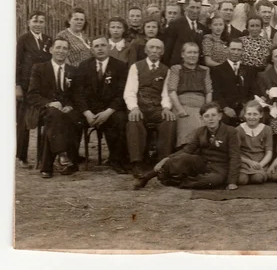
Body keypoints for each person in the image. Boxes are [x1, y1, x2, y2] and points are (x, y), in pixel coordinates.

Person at [133, 102, 240, 191]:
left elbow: (235, 157)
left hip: (219, 168)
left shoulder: (231, 132)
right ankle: (146, 177)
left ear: (220, 116)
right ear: (202, 119)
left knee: (211, 181)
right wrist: (166, 159)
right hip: (202, 163)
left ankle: (177, 181)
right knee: (183, 158)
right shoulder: (200, 132)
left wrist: (232, 182)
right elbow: (187, 150)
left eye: (213, 115)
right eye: (206, 116)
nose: (210, 119)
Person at [27, 38, 83, 178]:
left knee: (68, 118)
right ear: (51, 50)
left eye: (65, 48)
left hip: (66, 111)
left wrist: (70, 106)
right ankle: (63, 155)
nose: (61, 51)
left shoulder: (73, 71)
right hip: (44, 109)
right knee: (54, 115)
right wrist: (50, 103)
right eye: (58, 47)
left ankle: (48, 166)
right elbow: (32, 95)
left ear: (69, 52)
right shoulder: (39, 68)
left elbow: (77, 95)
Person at [74, 36, 128, 173]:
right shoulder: (84, 66)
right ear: (92, 49)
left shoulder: (120, 66)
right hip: (90, 111)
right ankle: (71, 158)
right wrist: (87, 113)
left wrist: (108, 112)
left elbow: (122, 93)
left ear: (109, 47)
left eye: (103, 45)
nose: (100, 49)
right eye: (96, 46)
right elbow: (78, 93)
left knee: (121, 119)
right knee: (72, 118)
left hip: (111, 110)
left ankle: (116, 160)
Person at [123, 38, 177, 178]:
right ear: (146, 50)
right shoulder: (136, 67)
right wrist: (134, 108)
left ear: (162, 52)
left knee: (169, 121)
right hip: (140, 107)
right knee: (134, 122)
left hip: (156, 108)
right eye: (151, 47)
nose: (154, 51)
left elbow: (166, 93)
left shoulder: (166, 70)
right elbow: (130, 91)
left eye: (158, 48)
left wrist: (166, 108)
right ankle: (137, 163)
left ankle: (163, 163)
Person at [16, 11, 53, 168]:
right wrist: (17, 86)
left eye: (41, 21)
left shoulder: (48, 40)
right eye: (35, 21)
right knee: (24, 121)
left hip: (42, 86)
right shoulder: (23, 39)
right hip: (25, 86)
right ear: (28, 22)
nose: (38, 24)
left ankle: (44, 156)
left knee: (45, 118)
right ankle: (21, 156)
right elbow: (16, 63)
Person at [167, 42, 212, 149]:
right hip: (182, 106)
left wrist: (207, 110)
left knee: (203, 130)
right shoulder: (176, 69)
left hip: (200, 107)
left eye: (195, 52)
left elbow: (209, 91)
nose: (192, 55)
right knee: (186, 135)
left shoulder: (205, 70)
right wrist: (180, 109)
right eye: (189, 52)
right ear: (183, 54)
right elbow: (172, 90)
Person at [211, 39, 258, 127]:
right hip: (226, 109)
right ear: (227, 49)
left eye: (239, 50)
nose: (236, 52)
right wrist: (225, 108)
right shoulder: (217, 70)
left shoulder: (249, 70)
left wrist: (246, 108)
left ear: (243, 51)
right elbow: (216, 92)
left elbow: (253, 91)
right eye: (233, 49)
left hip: (245, 109)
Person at [236, 101, 273, 185]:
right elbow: (236, 152)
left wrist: (260, 164)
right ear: (244, 114)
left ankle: (258, 174)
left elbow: (269, 152)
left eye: (255, 114)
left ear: (261, 115)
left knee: (257, 178)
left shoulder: (267, 129)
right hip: (244, 162)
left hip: (260, 162)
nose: (252, 117)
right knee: (242, 180)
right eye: (249, 114)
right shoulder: (239, 129)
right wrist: (249, 162)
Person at [163, 0, 205, 66]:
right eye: (192, 7)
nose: (195, 11)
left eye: (198, 8)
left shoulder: (203, 28)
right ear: (185, 7)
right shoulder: (175, 25)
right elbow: (168, 50)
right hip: (178, 67)